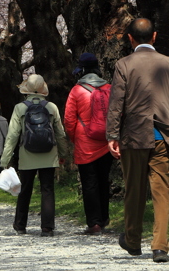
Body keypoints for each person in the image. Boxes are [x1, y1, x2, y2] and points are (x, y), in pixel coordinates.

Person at [107, 18, 169, 263]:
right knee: (161, 193)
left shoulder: (123, 65)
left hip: (134, 136)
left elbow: (116, 103)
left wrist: (112, 135)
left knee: (134, 190)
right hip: (163, 138)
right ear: (154, 37)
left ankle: (133, 241)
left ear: (130, 38)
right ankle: (160, 247)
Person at [1, 74, 69, 236]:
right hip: (49, 154)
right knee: (47, 189)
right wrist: (63, 153)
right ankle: (47, 227)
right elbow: (60, 133)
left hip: (27, 154)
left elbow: (12, 135)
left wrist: (5, 158)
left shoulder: (20, 108)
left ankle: (20, 225)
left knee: (25, 189)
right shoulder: (51, 107)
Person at [64, 52, 114, 234]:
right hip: (106, 143)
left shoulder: (76, 91)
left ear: (82, 70)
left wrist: (75, 139)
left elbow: (69, 121)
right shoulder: (109, 88)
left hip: (85, 144)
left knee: (89, 183)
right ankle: (104, 217)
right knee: (103, 181)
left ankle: (94, 223)